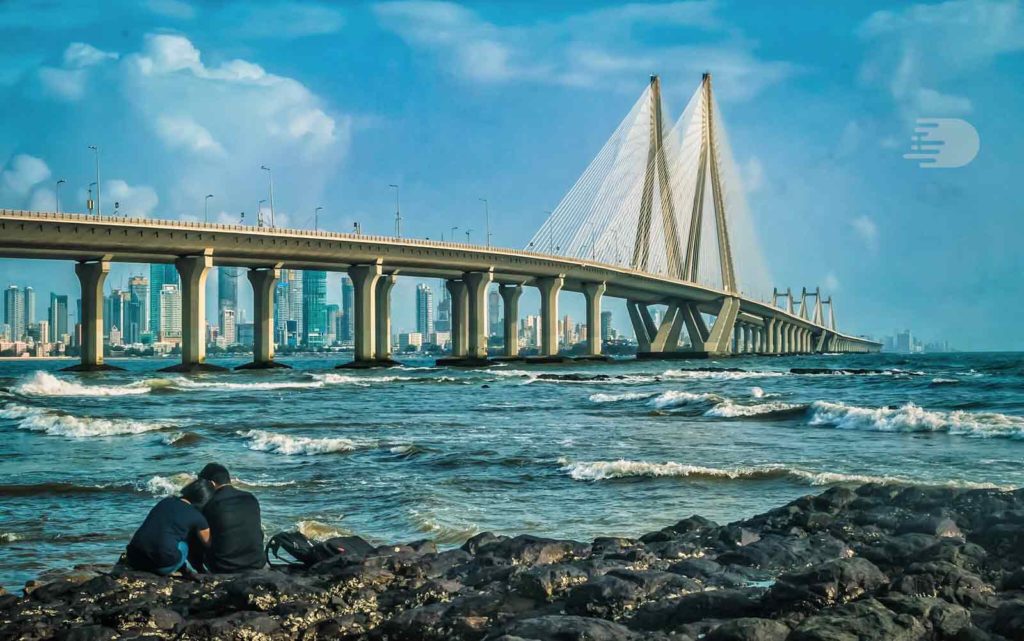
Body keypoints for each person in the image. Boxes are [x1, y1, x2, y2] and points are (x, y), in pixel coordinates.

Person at [125, 479, 214, 575]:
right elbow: (208, 543)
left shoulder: (165, 501)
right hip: (162, 566)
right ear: (204, 500)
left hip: (134, 559)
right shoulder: (198, 517)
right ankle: (186, 569)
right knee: (184, 544)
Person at [193, 463, 265, 573]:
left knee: (194, 527)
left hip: (224, 567)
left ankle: (199, 571)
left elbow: (204, 539)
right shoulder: (250, 498)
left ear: (211, 483)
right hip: (257, 563)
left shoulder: (209, 503)